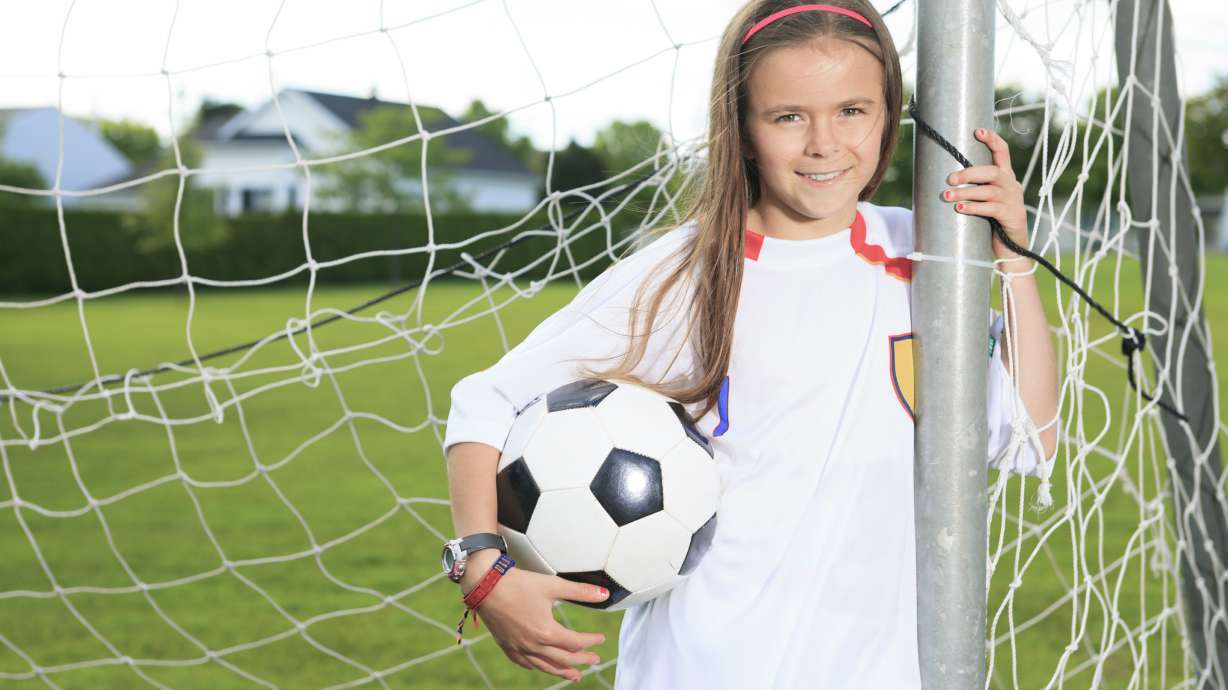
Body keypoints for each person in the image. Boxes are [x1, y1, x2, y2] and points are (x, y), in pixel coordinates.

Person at [441, 0, 1061, 687]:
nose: (824, 143)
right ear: (741, 127)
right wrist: (483, 569)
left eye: (852, 110)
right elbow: (486, 400)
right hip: (707, 667)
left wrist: (1012, 257)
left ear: (890, 112)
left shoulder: (923, 254)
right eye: (788, 117)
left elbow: (1030, 436)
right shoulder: (686, 271)